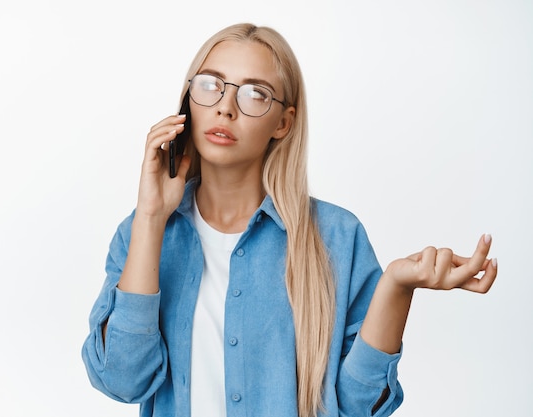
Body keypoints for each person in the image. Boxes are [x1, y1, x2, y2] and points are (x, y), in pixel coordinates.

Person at [81, 23, 498, 417]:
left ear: (284, 122)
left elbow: (359, 406)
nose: (225, 107)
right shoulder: (141, 234)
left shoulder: (337, 237)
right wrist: (152, 217)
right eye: (210, 85)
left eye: (254, 94)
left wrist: (396, 287)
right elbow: (123, 380)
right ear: (188, 100)